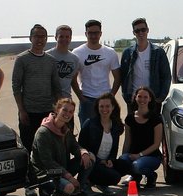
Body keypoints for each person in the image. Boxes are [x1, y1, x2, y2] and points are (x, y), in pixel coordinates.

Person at [29, 97, 95, 196]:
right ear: (57, 109)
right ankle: (46, 192)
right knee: (69, 187)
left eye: (71, 111)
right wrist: (69, 177)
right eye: (64, 110)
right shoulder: (43, 132)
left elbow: (75, 146)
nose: (67, 114)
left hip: (62, 169)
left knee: (90, 158)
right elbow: (47, 162)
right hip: (47, 173)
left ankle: (79, 193)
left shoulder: (65, 129)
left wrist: (83, 152)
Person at [12, 24, 61, 154]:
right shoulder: (22, 59)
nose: (40, 40)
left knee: (47, 147)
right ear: (30, 38)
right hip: (29, 112)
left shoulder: (51, 61)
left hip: (47, 112)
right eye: (36, 36)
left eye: (43, 36)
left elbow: (56, 86)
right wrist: (21, 110)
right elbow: (16, 86)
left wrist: (58, 110)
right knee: (29, 147)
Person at [77, 92, 132, 196]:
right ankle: (87, 182)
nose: (104, 109)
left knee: (127, 165)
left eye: (107, 106)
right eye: (101, 106)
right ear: (97, 108)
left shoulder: (116, 125)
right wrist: (98, 160)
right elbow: (80, 146)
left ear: (113, 107)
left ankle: (101, 183)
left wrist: (110, 160)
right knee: (115, 177)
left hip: (106, 162)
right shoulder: (90, 123)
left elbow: (114, 148)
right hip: (92, 163)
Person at [73, 19, 121, 126]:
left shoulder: (110, 53)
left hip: (105, 98)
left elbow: (117, 77)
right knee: (87, 134)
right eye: (90, 33)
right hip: (87, 99)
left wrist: (111, 95)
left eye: (96, 33)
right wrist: (81, 98)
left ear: (101, 34)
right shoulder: (77, 53)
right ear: (86, 34)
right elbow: (73, 79)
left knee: (107, 130)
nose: (93, 36)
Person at [119, 18, 172, 106]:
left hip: (153, 100)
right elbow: (123, 77)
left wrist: (160, 98)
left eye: (143, 30)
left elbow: (166, 76)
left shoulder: (158, 52)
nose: (140, 33)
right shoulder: (128, 53)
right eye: (137, 31)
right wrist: (127, 97)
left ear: (147, 30)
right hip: (134, 100)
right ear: (134, 33)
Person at [119, 86, 163, 188]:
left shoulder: (155, 119)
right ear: (135, 98)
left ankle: (151, 176)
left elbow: (157, 144)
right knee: (123, 161)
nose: (142, 99)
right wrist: (123, 160)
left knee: (136, 166)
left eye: (145, 97)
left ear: (150, 99)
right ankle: (136, 178)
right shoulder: (129, 118)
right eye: (139, 96)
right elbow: (127, 141)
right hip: (133, 155)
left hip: (152, 157)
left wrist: (140, 155)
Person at [46, 24, 81, 100]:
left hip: (66, 101)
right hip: (48, 101)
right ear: (56, 37)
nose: (64, 39)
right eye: (61, 36)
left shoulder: (75, 59)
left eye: (67, 37)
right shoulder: (47, 56)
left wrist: (81, 98)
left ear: (71, 38)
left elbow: (73, 81)